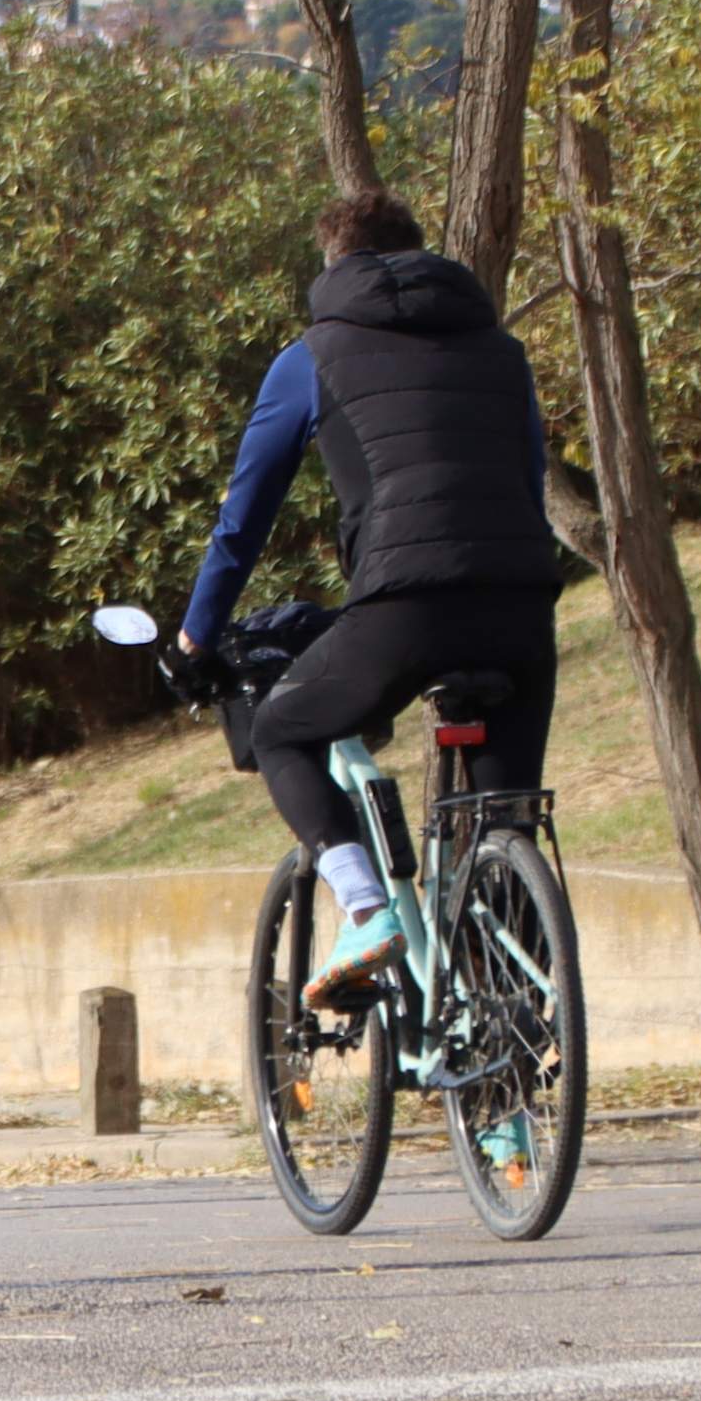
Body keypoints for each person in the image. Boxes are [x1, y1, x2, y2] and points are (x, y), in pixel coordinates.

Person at [180, 186, 562, 1004]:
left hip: (405, 603)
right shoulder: (502, 350)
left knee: (283, 727)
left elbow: (243, 520)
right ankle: (510, 1122)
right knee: (506, 825)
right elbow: (529, 482)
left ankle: (364, 910)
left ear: (334, 263)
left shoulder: (311, 357)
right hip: (522, 605)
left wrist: (194, 635)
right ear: (422, 254)